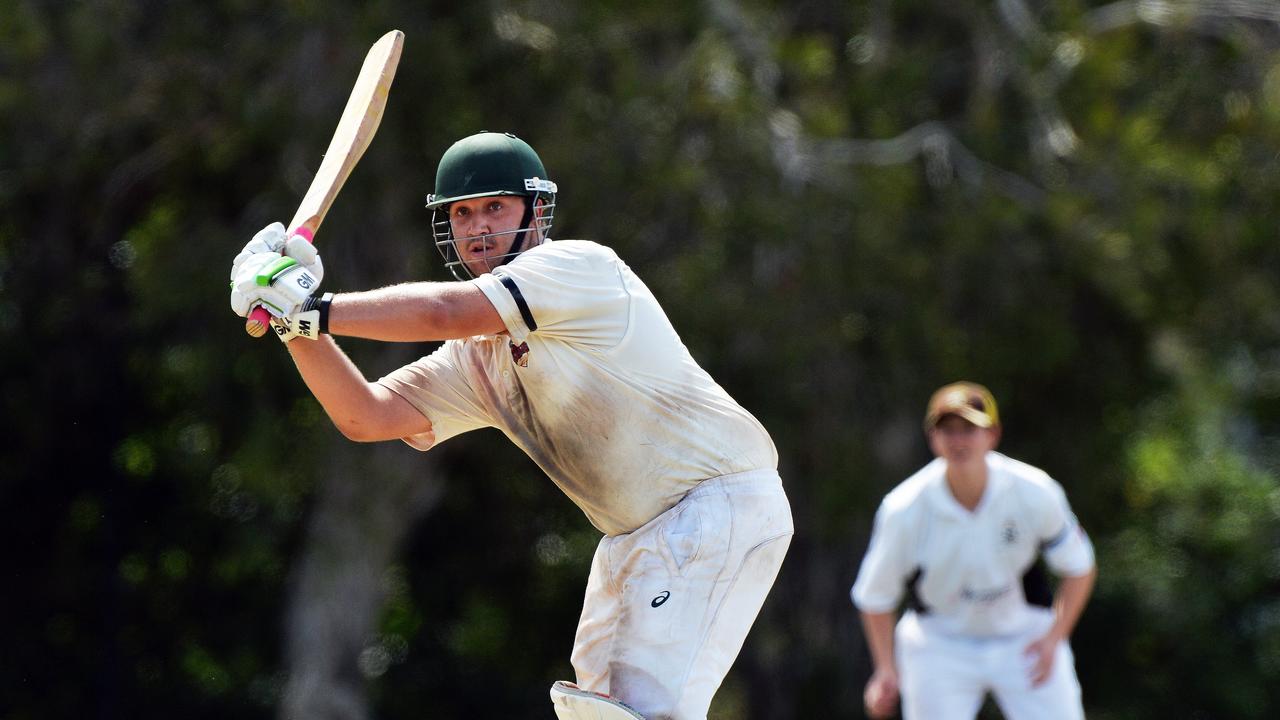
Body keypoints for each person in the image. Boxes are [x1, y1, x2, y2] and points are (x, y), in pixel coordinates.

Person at [228, 131, 793, 720]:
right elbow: (366, 415)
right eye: (463, 213)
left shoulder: (576, 268)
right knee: (596, 713)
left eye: (495, 207)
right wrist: (297, 329)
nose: (478, 227)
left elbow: (445, 310)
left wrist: (314, 305)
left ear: (536, 210)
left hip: (715, 505)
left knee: (644, 714)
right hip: (636, 535)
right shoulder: (475, 357)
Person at [850, 381, 1096, 720]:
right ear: (932, 438)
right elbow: (875, 596)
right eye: (947, 430)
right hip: (939, 642)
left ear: (992, 435)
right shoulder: (904, 508)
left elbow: (1079, 566)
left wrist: (1055, 637)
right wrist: (885, 670)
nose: (958, 441)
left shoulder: (1034, 491)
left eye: (970, 429)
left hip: (1023, 636)